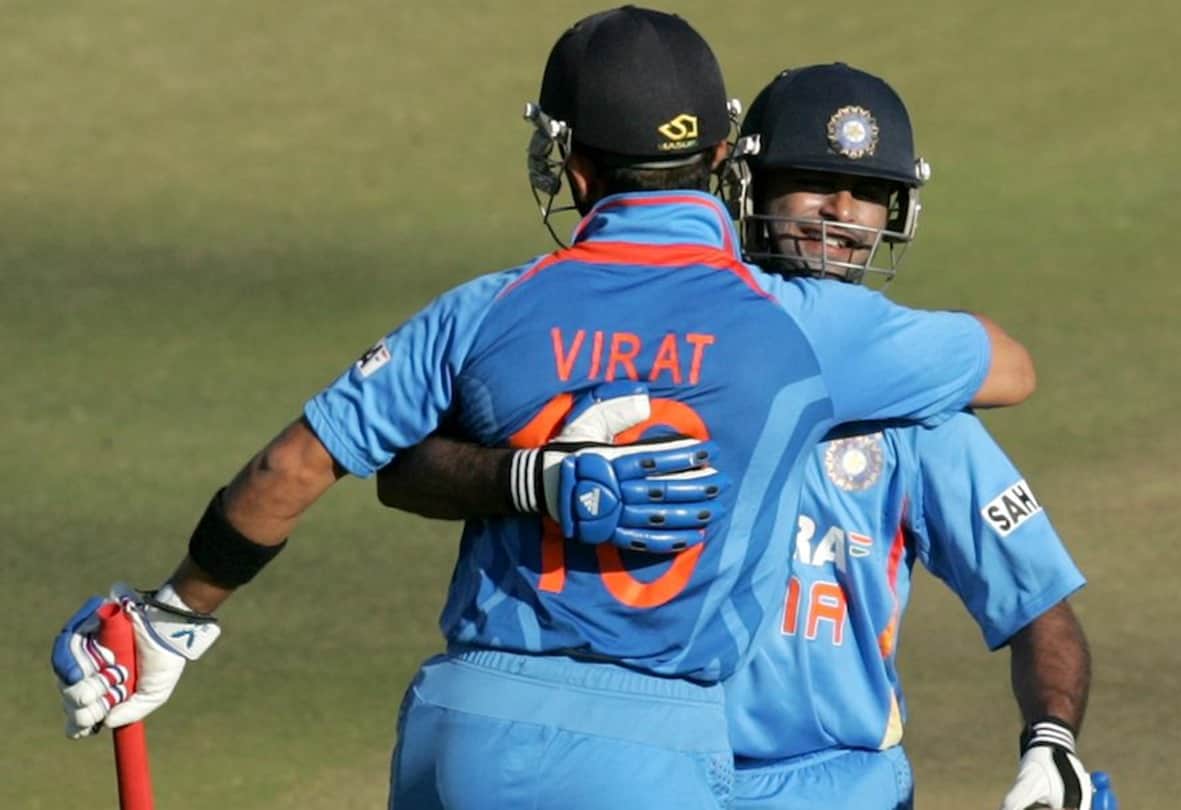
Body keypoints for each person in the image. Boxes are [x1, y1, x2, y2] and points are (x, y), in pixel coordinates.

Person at [52, 10, 1037, 810]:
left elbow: (296, 470)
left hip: (463, 723)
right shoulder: (803, 324)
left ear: (572, 165)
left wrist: (170, 615)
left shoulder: (490, 305)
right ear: (726, 155)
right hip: (652, 742)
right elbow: (1008, 366)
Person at [377, 63, 1097, 810]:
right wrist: (527, 480)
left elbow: (1036, 604)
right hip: (635, 761)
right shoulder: (645, 344)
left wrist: (1053, 741)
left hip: (837, 784)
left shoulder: (922, 414)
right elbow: (408, 468)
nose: (842, 213)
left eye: (871, 194)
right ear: (746, 186)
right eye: (809, 181)